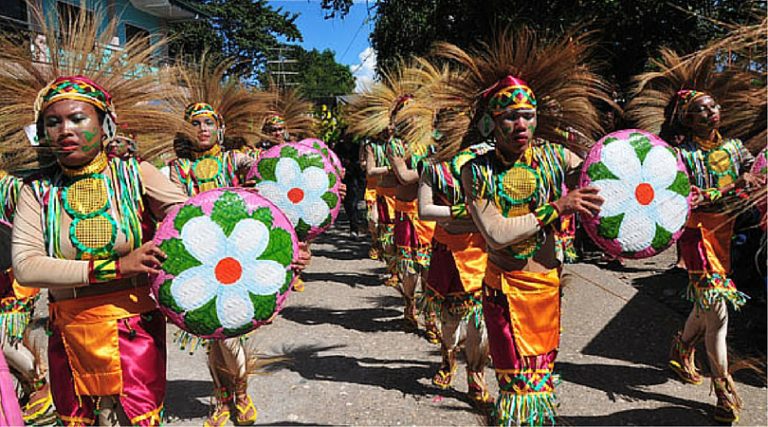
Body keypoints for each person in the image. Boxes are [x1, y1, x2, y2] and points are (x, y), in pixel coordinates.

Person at [430, 28, 609, 425]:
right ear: (492, 122)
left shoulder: (553, 156)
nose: (521, 124)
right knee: (516, 392)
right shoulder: (475, 171)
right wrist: (557, 208)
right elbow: (495, 233)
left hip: (546, 289)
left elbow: (599, 176)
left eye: (527, 115)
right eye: (510, 116)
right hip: (504, 292)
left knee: (541, 386)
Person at [626, 47, 764, 423]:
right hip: (697, 236)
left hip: (728, 236)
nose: (709, 112)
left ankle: (681, 345)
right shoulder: (675, 156)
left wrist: (747, 182)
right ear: (684, 117)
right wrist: (730, 189)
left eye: (713, 106)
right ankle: (723, 389)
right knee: (718, 313)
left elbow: (756, 177)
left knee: (705, 311)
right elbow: (677, 195)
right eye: (700, 109)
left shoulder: (736, 149)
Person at [166, 60, 266, 427]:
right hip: (195, 259)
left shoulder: (233, 160)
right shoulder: (176, 169)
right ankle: (223, 400)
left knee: (230, 334)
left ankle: (240, 393)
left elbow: (269, 171)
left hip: (237, 257)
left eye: (209, 122)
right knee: (210, 333)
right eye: (196, 123)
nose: (203, 129)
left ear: (221, 128)